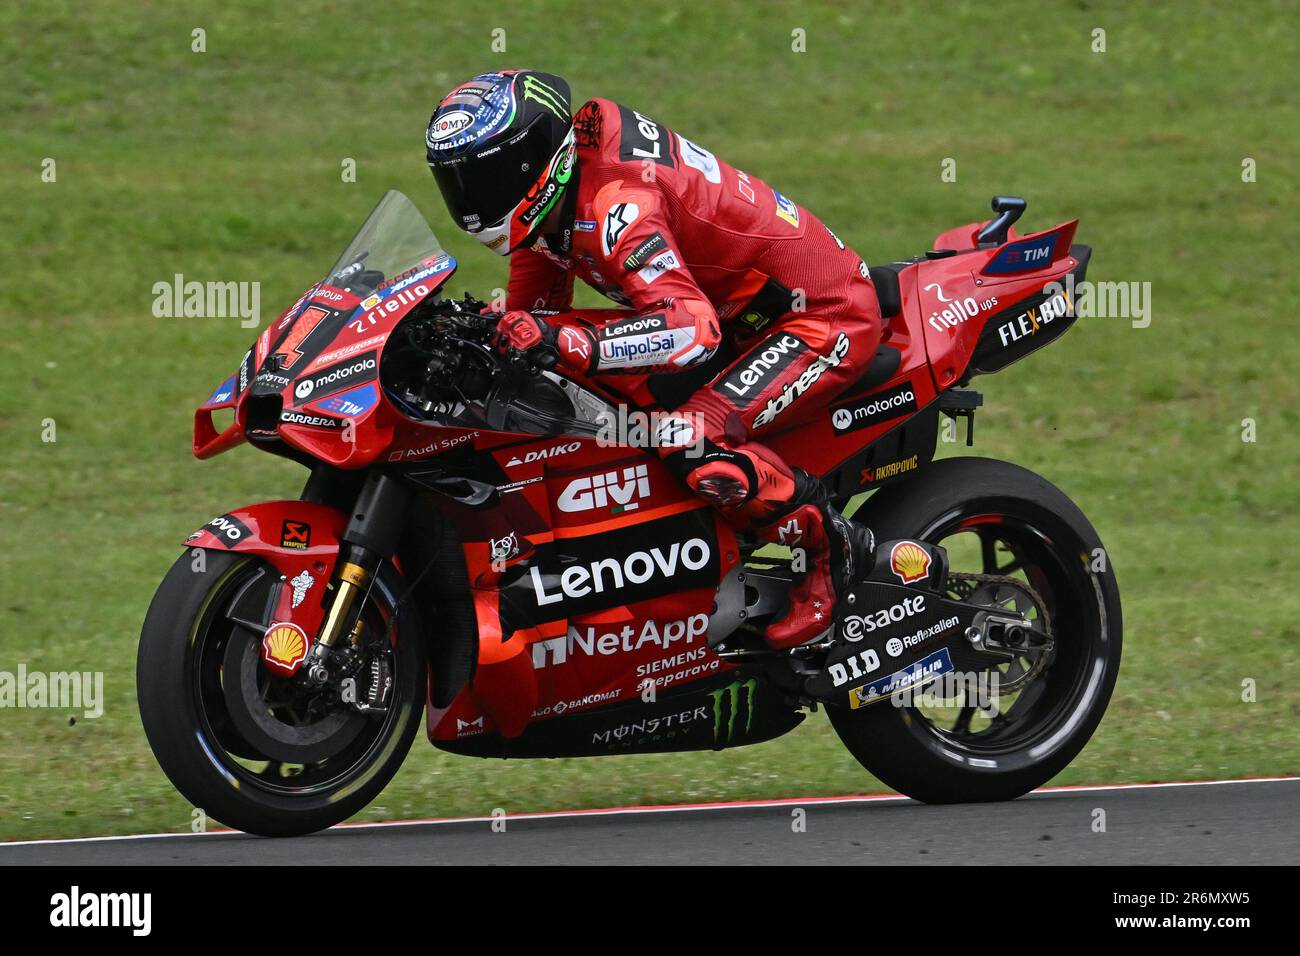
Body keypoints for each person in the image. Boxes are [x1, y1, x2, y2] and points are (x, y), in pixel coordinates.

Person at [425, 70, 880, 648]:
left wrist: (569, 342)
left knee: (689, 439)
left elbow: (692, 331)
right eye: (454, 182)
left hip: (818, 316)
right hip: (743, 316)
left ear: (529, 162)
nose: (469, 202)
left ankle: (834, 549)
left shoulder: (618, 203)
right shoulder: (551, 208)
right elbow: (532, 323)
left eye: (480, 178)